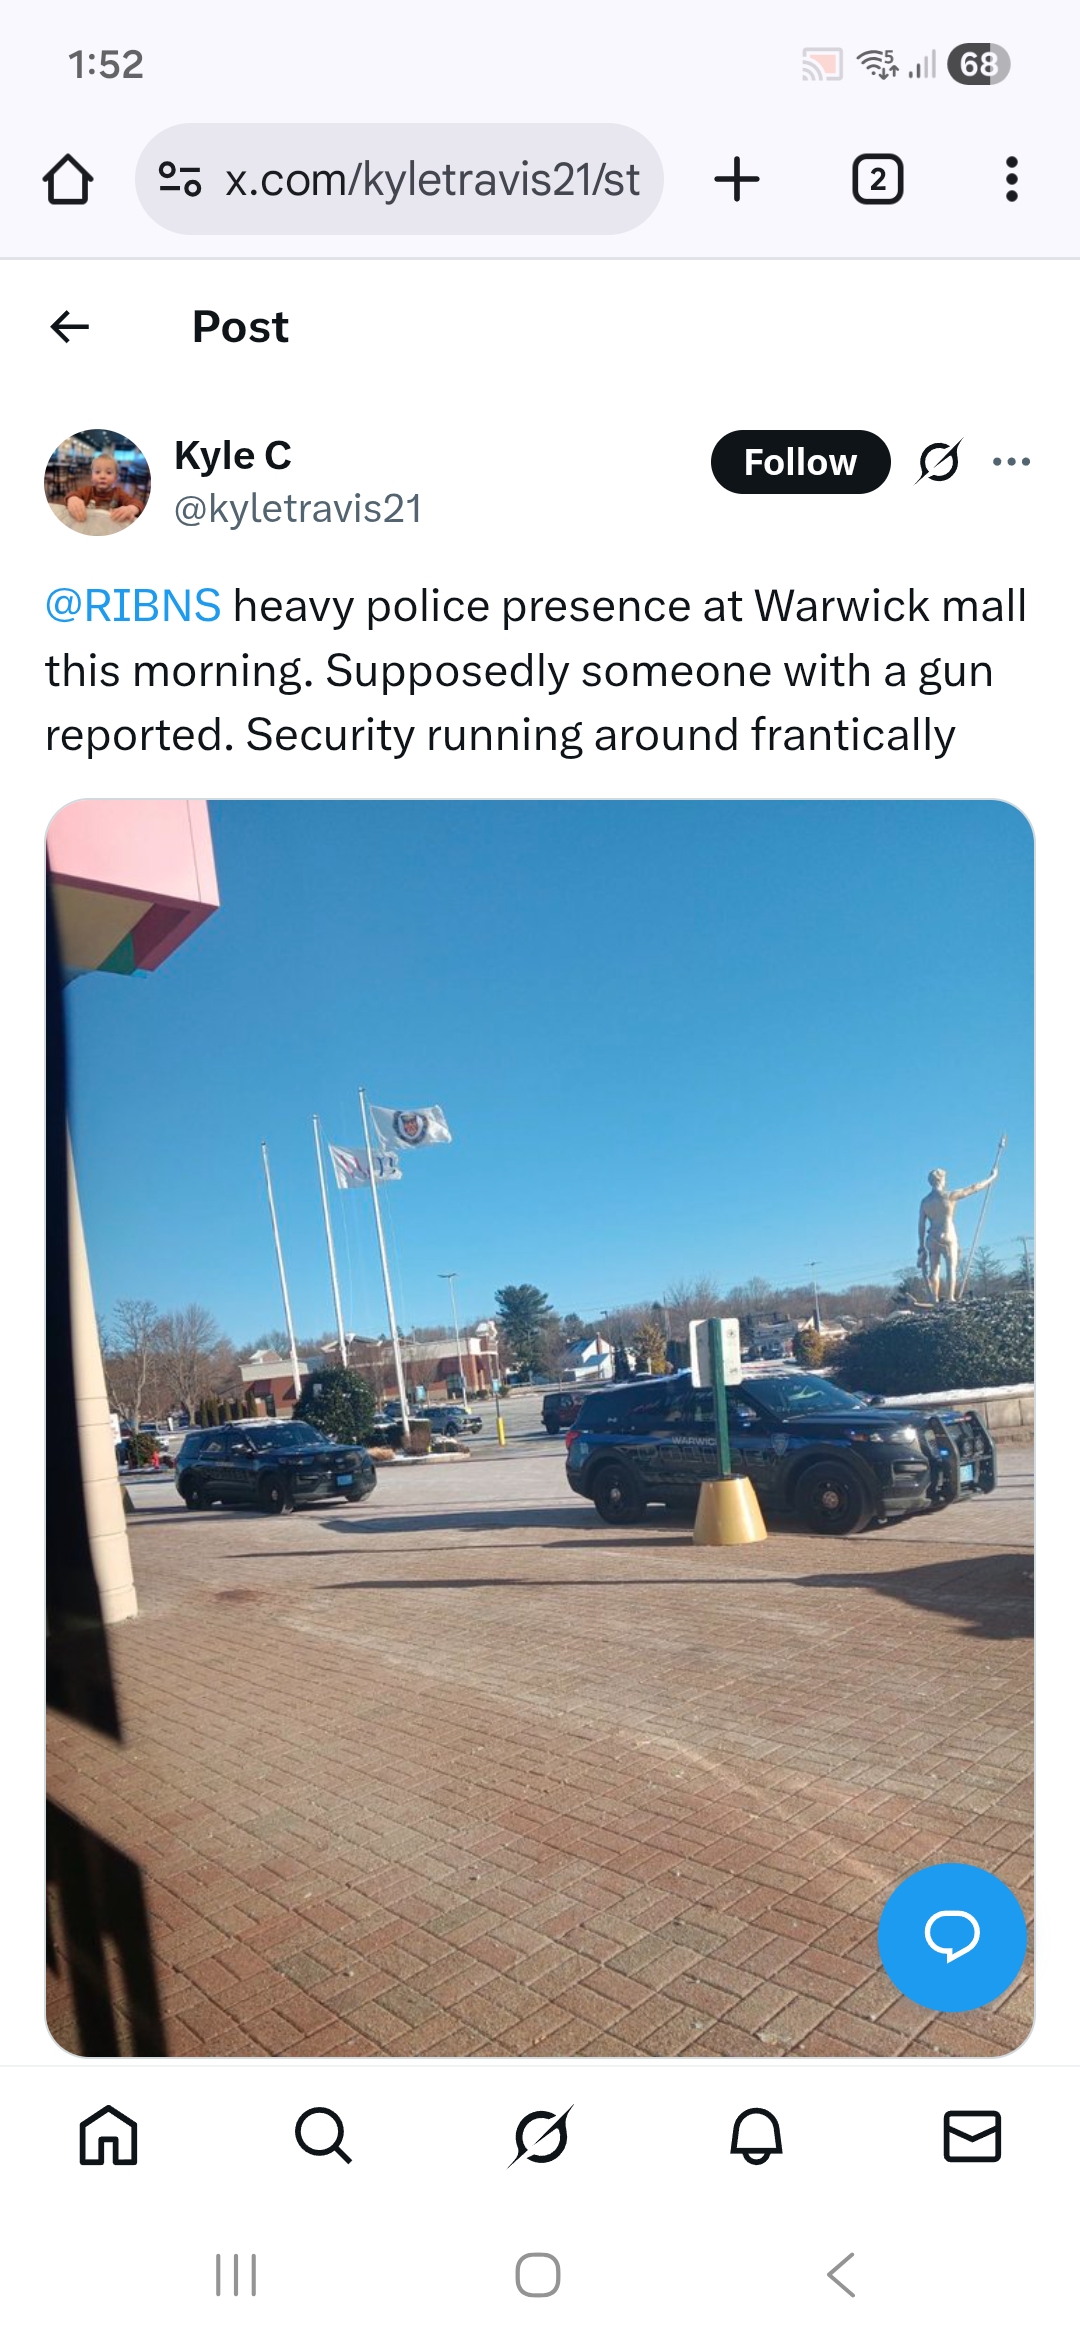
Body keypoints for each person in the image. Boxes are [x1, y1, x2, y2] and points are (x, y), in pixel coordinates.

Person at [65, 449, 143, 526]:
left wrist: (131, 509)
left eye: (108, 472)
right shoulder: (86, 491)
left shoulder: (119, 493)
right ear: (92, 476)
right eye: (97, 472)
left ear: (115, 478)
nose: (102, 476)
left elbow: (137, 503)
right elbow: (72, 494)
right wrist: (73, 499)